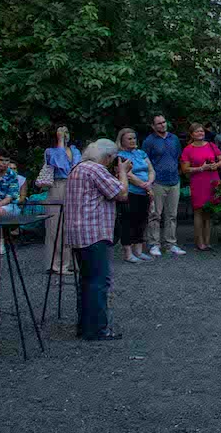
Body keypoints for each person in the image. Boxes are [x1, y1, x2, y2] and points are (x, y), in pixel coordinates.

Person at [67, 138, 130, 341]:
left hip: (78, 232)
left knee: (86, 281)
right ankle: (97, 330)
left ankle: (85, 327)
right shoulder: (96, 170)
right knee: (99, 282)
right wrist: (122, 173)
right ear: (108, 156)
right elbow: (121, 194)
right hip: (94, 232)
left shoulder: (78, 168)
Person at [141, 114, 185, 257]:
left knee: (172, 215)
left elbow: (177, 156)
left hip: (174, 180)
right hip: (157, 181)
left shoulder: (174, 139)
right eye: (158, 123)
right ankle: (154, 244)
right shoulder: (149, 141)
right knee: (155, 214)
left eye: (164, 122)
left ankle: (171, 243)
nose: (162, 125)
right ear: (153, 126)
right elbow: (144, 161)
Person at [40, 125, 82, 275]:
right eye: (61, 132)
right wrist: (60, 142)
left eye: (66, 131)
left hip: (74, 187)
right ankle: (56, 264)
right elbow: (60, 164)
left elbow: (77, 168)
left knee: (72, 225)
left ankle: (72, 263)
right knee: (55, 226)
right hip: (58, 187)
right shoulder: (50, 152)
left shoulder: (75, 150)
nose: (65, 134)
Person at [181, 123, 221, 252]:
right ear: (191, 134)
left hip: (212, 179)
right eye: (197, 131)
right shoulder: (188, 149)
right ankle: (199, 242)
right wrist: (200, 168)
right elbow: (185, 169)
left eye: (201, 131)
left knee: (209, 211)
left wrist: (216, 165)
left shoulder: (211, 145)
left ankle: (207, 241)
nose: (200, 133)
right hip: (198, 180)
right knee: (199, 210)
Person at [116, 127, 154, 263]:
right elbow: (127, 174)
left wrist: (149, 181)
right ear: (122, 141)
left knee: (142, 221)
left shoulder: (141, 153)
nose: (133, 141)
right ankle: (128, 253)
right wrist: (144, 185)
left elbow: (150, 169)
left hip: (144, 192)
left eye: (134, 138)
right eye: (129, 139)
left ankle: (138, 251)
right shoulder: (120, 155)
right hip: (130, 192)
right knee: (128, 221)